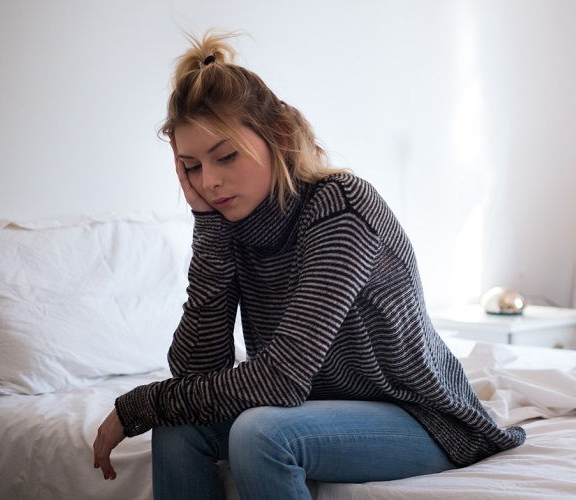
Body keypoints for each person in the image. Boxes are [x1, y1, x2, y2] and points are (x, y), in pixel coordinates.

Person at [92, 30, 525, 500]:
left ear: (277, 137)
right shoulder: (230, 226)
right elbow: (196, 372)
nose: (210, 181)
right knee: (178, 428)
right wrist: (209, 228)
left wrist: (140, 404)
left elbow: (281, 379)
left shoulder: (342, 205)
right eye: (192, 166)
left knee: (261, 432)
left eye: (226, 156)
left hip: (423, 418)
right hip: (315, 410)